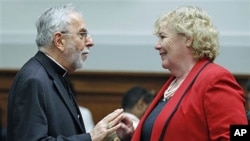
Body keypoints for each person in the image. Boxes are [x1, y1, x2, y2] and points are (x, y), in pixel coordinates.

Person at [7, 4, 133, 141]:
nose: (90, 41)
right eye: (82, 34)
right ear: (60, 41)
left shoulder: (57, 74)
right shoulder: (34, 79)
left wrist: (108, 136)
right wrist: (91, 137)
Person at [131, 6, 248, 141]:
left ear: (188, 39)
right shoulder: (174, 83)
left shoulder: (215, 79)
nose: (157, 45)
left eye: (163, 37)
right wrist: (132, 135)